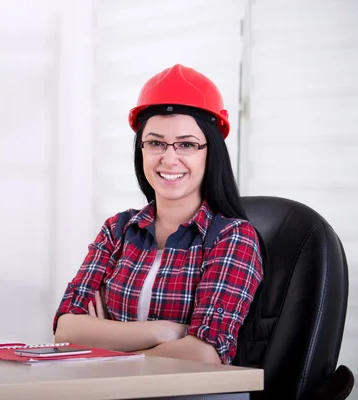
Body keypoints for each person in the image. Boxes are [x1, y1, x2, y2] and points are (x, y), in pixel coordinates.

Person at [52, 64, 264, 366]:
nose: (168, 157)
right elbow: (67, 329)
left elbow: (204, 354)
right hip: (109, 394)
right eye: (155, 143)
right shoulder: (118, 230)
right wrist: (167, 332)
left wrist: (109, 343)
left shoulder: (232, 237)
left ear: (211, 152)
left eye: (187, 144)